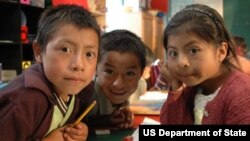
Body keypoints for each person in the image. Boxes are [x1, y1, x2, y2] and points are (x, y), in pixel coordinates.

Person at [0, 5, 100, 140]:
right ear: (39, 52)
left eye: (89, 54)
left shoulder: (74, 89)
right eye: (65, 49)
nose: (79, 65)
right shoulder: (25, 101)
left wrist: (77, 131)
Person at [160, 4, 250, 124]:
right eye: (173, 53)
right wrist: (175, 86)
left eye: (193, 50)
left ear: (221, 52)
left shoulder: (242, 94)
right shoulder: (194, 88)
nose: (181, 63)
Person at [87, 29, 146, 129]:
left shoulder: (141, 84)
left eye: (129, 73)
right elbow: (71, 126)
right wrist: (103, 121)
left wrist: (124, 111)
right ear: (95, 68)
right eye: (109, 72)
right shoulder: (87, 95)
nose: (118, 84)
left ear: (141, 74)